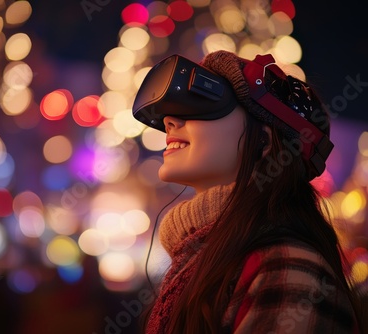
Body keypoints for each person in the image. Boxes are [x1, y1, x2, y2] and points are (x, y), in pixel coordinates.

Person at [132, 50, 365, 333]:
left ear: (263, 142)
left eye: (202, 105)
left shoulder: (285, 267)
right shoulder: (203, 258)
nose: (169, 121)